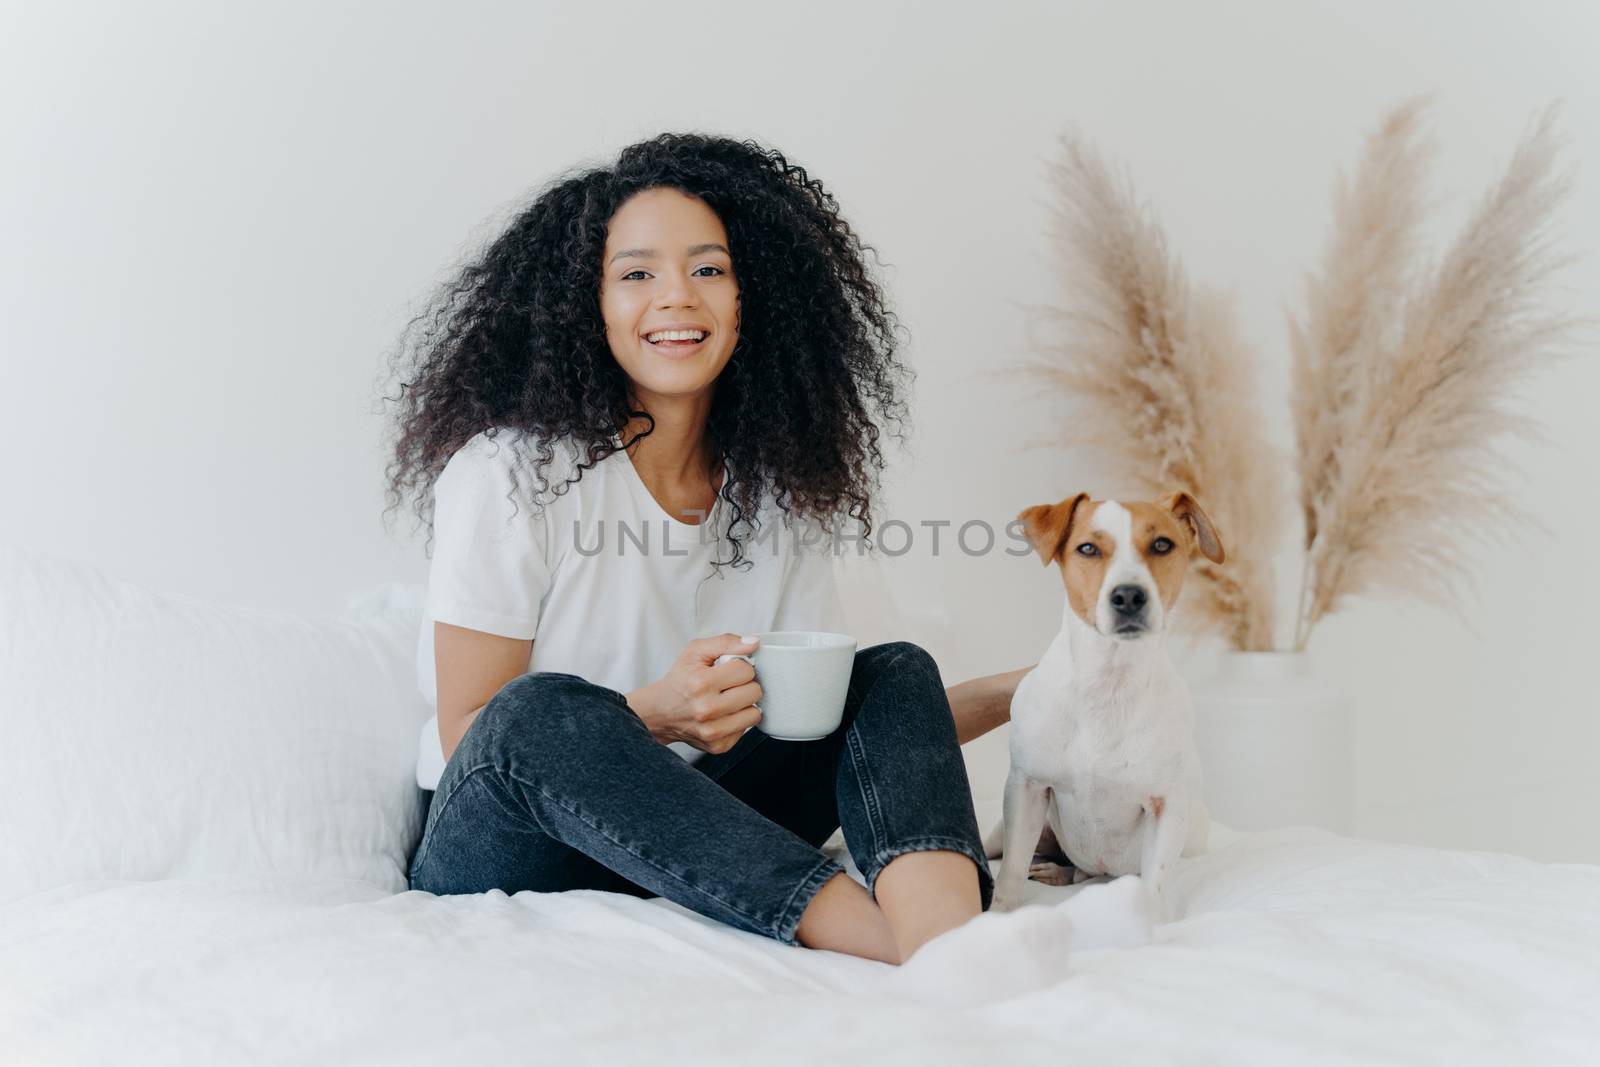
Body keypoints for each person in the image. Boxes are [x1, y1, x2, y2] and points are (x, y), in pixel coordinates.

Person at [382, 132, 1030, 966]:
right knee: (540, 707)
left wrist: (1034, 688)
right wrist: (656, 713)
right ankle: (898, 947)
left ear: (751, 297)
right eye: (637, 273)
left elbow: (834, 724)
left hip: (701, 819)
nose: (677, 298)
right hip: (512, 836)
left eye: (709, 269)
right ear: (588, 302)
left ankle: (956, 941)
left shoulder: (776, 495)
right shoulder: (507, 473)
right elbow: (481, 732)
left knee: (895, 668)